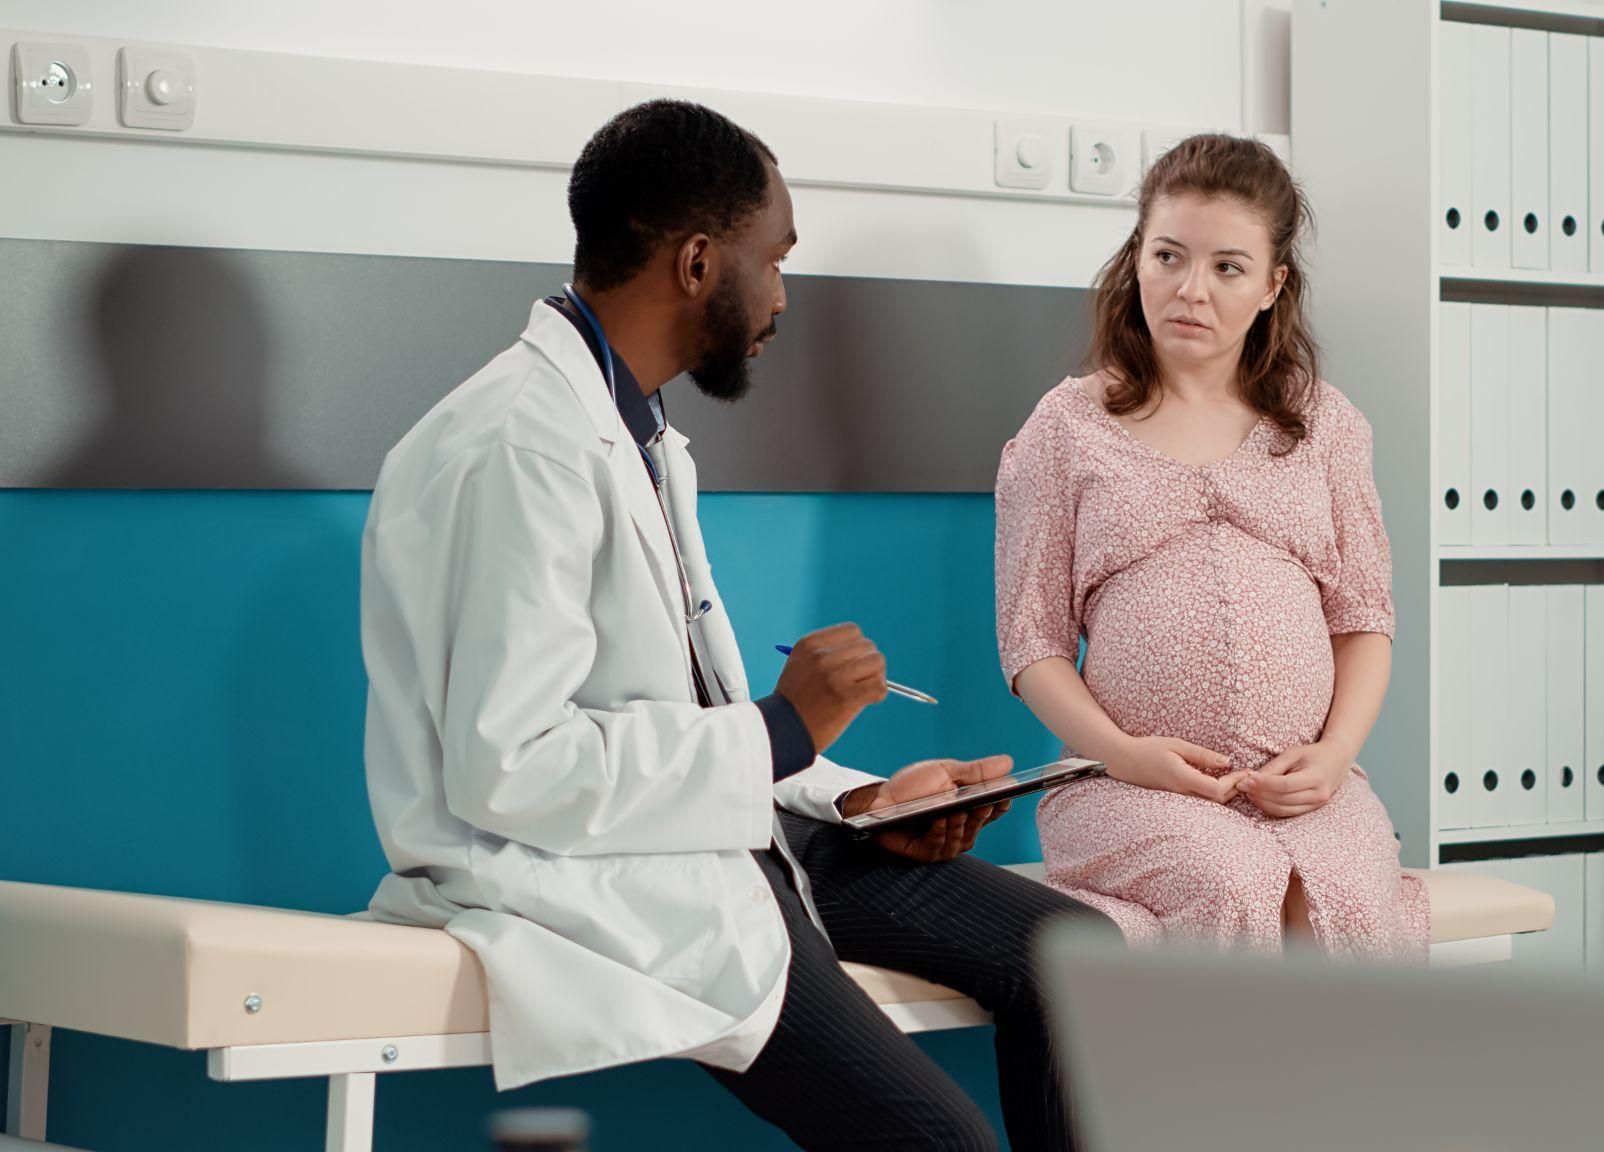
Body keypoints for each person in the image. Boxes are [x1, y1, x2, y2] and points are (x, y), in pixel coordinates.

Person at [360, 100, 1102, 1152]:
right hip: (580, 873)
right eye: (775, 259)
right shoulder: (524, 448)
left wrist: (859, 798)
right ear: (700, 261)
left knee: (1072, 958)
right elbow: (511, 771)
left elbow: (674, 717)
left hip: (692, 833)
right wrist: (786, 726)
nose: (783, 296)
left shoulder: (633, 429)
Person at [994, 134, 1430, 959]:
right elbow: (1031, 644)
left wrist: (1335, 758)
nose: (1189, 290)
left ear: (1273, 286)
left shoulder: (1327, 426)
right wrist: (1123, 755)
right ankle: (1214, 1092)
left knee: (1342, 899)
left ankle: (1346, 1094)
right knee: (1233, 879)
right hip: (1120, 787)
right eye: (1167, 256)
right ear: (1137, 259)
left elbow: (1365, 620)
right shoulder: (1064, 429)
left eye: (1227, 267)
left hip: (1307, 789)